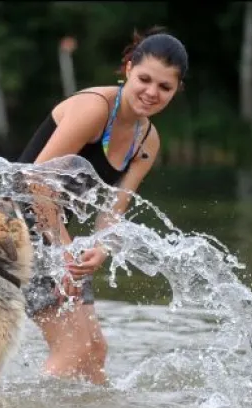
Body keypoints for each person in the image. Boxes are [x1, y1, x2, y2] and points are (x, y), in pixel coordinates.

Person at [14, 26, 189, 385]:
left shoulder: (147, 140)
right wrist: (64, 251)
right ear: (128, 69)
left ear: (176, 91)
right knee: (73, 352)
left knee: (94, 352)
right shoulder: (95, 109)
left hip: (58, 236)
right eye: (145, 79)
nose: (151, 93)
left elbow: (112, 210)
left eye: (165, 87)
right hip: (15, 226)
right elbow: (35, 181)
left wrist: (101, 248)